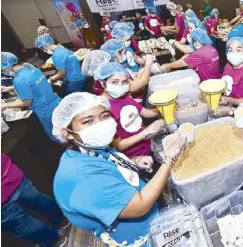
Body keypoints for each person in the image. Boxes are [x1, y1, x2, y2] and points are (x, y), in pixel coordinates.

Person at [52, 92, 187, 246]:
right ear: (67, 133)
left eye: (104, 116)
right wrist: (169, 159)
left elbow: (109, 164)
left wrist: (133, 162)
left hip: (150, 209)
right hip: (141, 235)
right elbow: (140, 206)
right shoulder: (85, 179)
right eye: (88, 121)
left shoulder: (89, 150)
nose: (100, 124)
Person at [94, 62, 164, 159]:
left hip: (148, 143)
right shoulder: (101, 109)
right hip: (135, 156)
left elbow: (145, 112)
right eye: (115, 82)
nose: (120, 86)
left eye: (124, 82)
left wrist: (164, 107)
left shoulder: (125, 96)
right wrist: (145, 133)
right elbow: (117, 146)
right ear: (102, 83)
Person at [2, 153, 67, 247]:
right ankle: (62, 220)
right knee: (37, 198)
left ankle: (53, 240)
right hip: (9, 172)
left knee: (21, 222)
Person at [1, 52, 62, 142]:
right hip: (56, 101)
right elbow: (30, 82)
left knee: (55, 134)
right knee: (64, 126)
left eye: (2, 70)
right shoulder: (29, 67)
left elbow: (26, 102)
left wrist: (5, 105)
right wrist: (11, 88)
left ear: (7, 67)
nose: (3, 72)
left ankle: (71, 150)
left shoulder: (19, 80)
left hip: (45, 110)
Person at [214, 37, 243, 116]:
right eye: (230, 50)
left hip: (239, 109)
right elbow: (225, 78)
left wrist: (230, 100)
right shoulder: (228, 65)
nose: (234, 54)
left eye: (238, 50)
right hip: (224, 100)